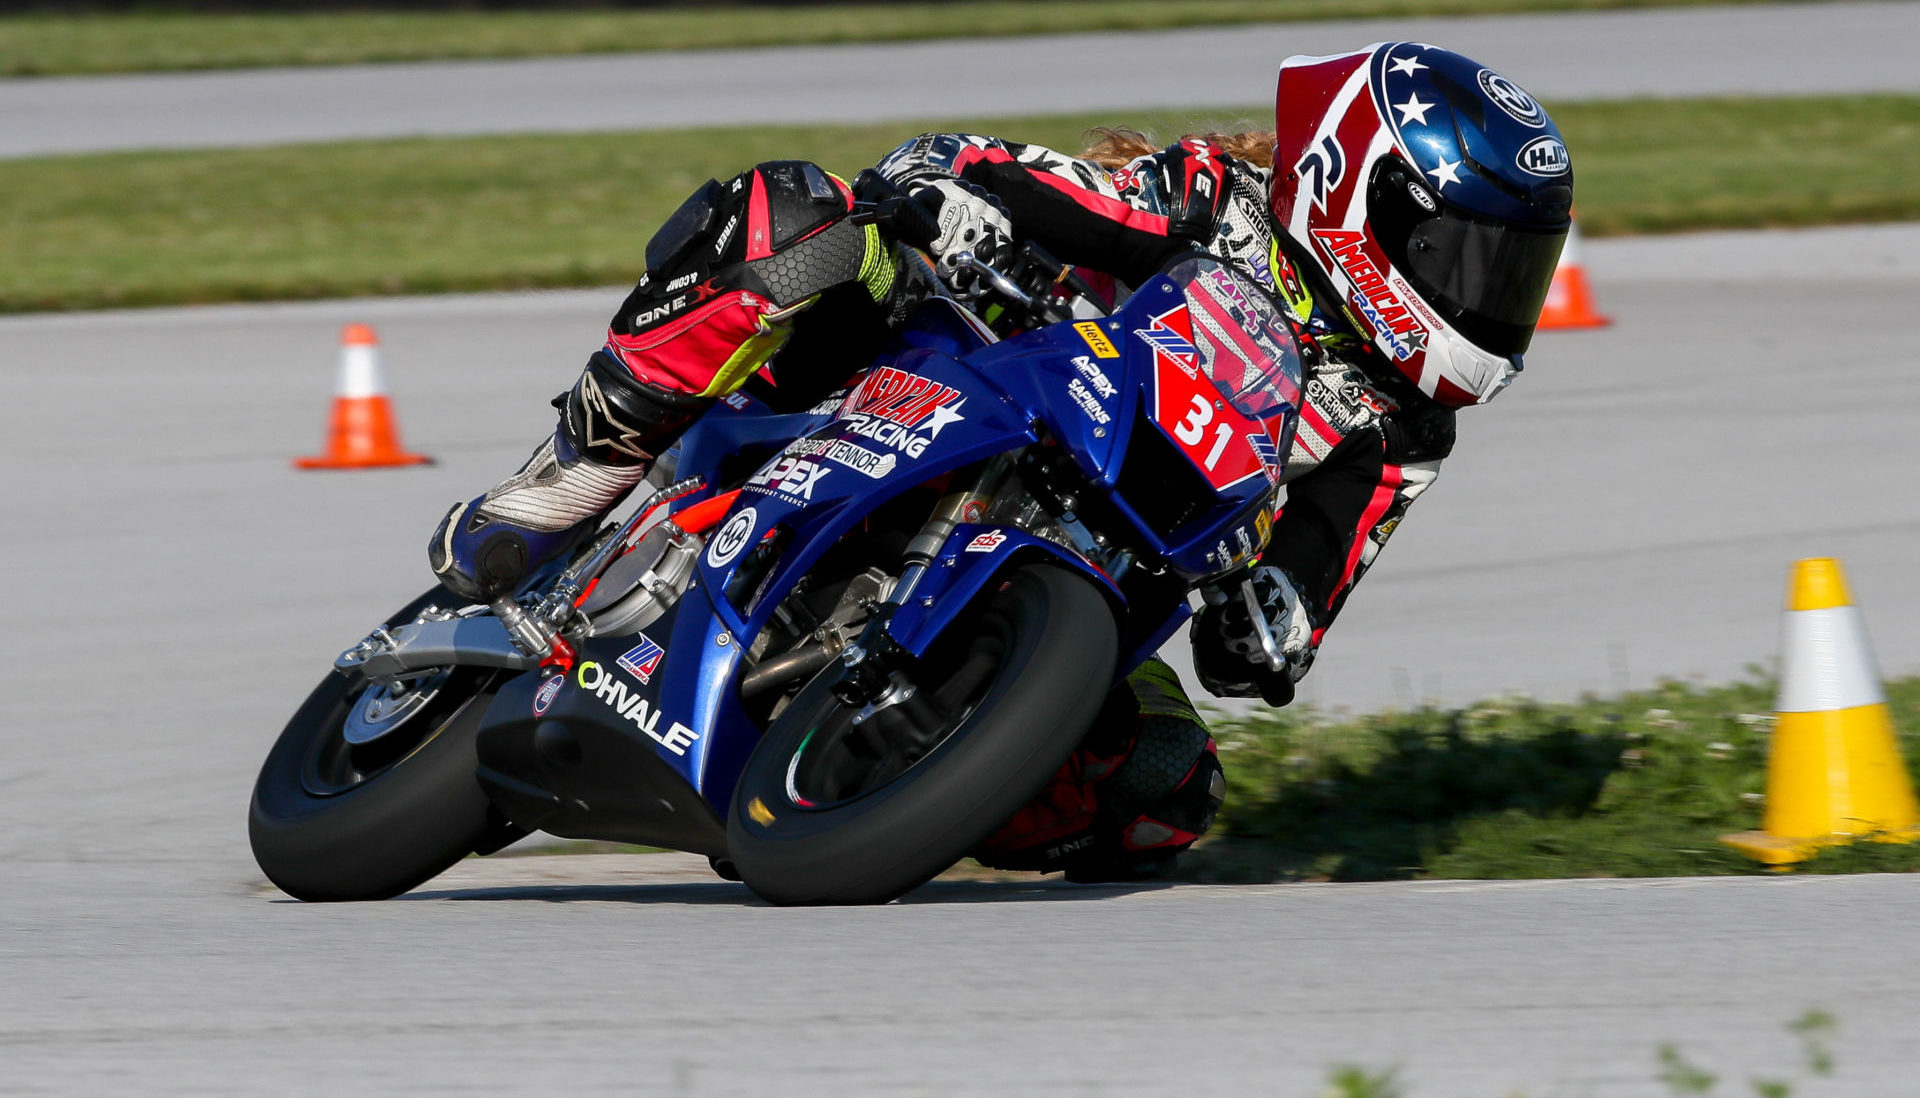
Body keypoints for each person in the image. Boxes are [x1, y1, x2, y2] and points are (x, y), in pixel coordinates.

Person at [427, 42, 1574, 880]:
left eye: (1511, 267)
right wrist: (957, 195)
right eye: (1466, 252)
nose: (1489, 294)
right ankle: (571, 478)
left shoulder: (1402, 426)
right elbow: (1000, 173)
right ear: (1353, 186)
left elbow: (1294, 605)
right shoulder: (1216, 201)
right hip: (947, 366)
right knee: (799, 223)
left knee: (1164, 791)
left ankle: (875, 765)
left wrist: (1272, 618)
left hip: (1097, 562)